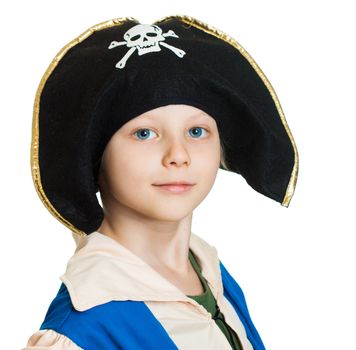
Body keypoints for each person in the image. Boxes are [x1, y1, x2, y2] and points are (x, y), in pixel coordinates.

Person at [23, 14, 299, 350]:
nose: (178, 155)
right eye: (144, 133)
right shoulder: (83, 332)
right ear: (94, 154)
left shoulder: (212, 276)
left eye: (197, 132)